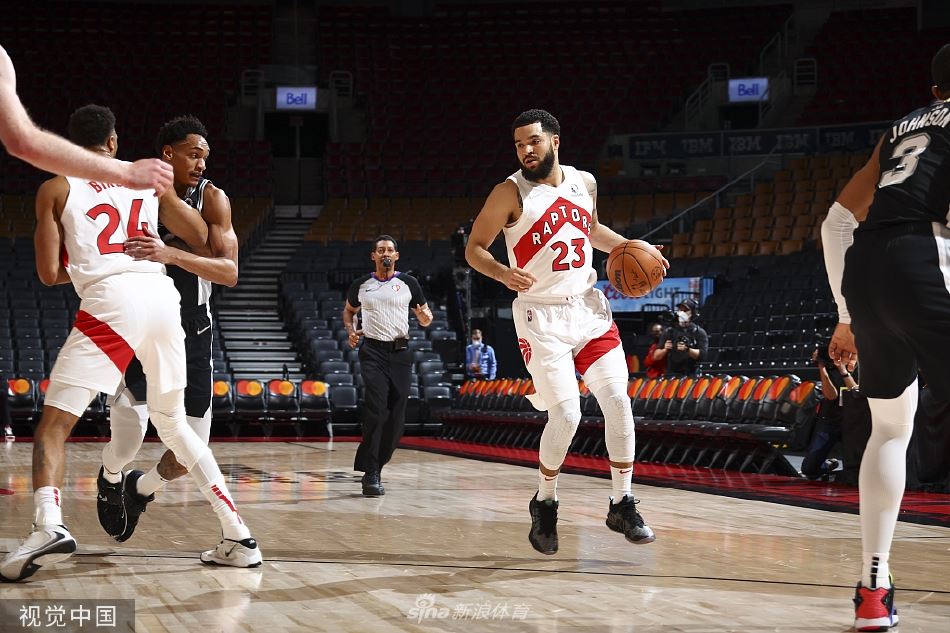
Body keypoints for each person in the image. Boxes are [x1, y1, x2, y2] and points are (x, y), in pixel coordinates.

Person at [0, 105, 259, 582]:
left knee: (54, 425)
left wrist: (90, 262)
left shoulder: (55, 188)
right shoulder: (148, 178)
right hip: (163, 298)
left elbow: (49, 273)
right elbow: (200, 235)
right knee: (174, 425)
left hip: (114, 302)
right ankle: (238, 535)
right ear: (114, 142)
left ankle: (48, 526)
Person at [465, 108, 667, 555]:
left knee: (618, 401)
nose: (525, 150)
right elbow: (474, 248)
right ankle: (545, 502)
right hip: (541, 317)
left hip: (588, 310)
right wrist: (501, 272)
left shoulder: (584, 182)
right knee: (568, 415)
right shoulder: (508, 192)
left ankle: (622, 502)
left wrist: (635, 248)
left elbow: (590, 230)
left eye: (533, 141)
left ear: (555, 141)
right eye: (519, 144)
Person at [821, 43, 950, 631]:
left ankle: (873, 588)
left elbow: (836, 222)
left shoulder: (900, 129)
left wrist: (846, 316)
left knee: (891, 429)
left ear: (935, 91)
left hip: (869, 268)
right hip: (927, 257)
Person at [95, 115, 240, 544]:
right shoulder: (132, 192)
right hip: (142, 323)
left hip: (193, 327)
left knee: (191, 449)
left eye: (205, 156)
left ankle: (140, 489)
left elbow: (229, 272)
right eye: (193, 155)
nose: (201, 163)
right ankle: (110, 474)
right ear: (168, 154)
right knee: (129, 436)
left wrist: (169, 254)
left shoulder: (213, 199)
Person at [0, 45, 171, 195]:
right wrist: (127, 172)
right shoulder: (155, 184)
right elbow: (23, 141)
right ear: (111, 142)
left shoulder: (55, 189)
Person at [343, 235, 433, 496]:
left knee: (396, 417)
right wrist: (350, 330)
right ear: (373, 256)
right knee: (376, 410)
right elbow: (349, 311)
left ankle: (375, 464)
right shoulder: (362, 285)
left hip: (400, 353)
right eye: (381, 250)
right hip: (372, 351)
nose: (385, 253)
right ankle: (371, 472)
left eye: (390, 250)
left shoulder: (409, 284)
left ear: (396, 256)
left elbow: (426, 318)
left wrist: (425, 318)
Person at [801, 343, 858, 480]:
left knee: (855, 470)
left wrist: (843, 370)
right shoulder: (830, 368)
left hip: (854, 421)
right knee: (809, 468)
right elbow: (831, 396)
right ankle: (828, 465)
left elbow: (855, 392)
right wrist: (822, 368)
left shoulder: (861, 367)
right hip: (830, 419)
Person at [653, 299, 707, 376]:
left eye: (686, 310)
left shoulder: (699, 332)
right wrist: (665, 350)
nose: (682, 313)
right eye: (680, 310)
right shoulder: (669, 331)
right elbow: (656, 356)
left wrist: (688, 350)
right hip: (672, 374)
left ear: (693, 313)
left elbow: (703, 356)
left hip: (691, 374)